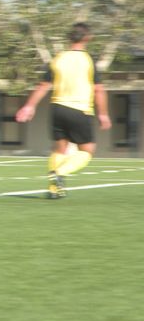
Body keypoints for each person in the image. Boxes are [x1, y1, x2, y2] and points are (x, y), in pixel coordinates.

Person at [15, 22, 111, 199]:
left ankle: (54, 189)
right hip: (80, 109)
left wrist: (30, 105)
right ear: (88, 38)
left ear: (69, 38)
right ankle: (60, 172)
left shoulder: (58, 58)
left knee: (59, 150)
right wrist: (103, 114)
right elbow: (98, 89)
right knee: (87, 150)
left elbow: (44, 85)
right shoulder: (89, 60)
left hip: (57, 109)